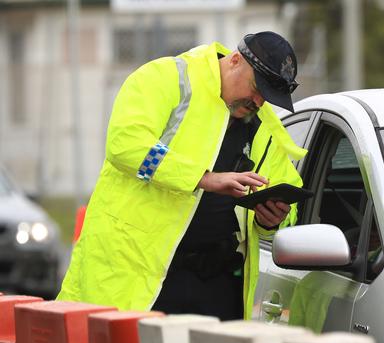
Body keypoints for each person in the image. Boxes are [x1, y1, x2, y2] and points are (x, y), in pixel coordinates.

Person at [57, 31, 307, 320]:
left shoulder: (263, 126)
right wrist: (204, 178)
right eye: (256, 88)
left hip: (219, 284)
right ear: (235, 60)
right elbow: (126, 145)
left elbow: (289, 198)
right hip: (137, 274)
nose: (258, 101)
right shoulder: (165, 78)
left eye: (267, 97)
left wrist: (270, 220)